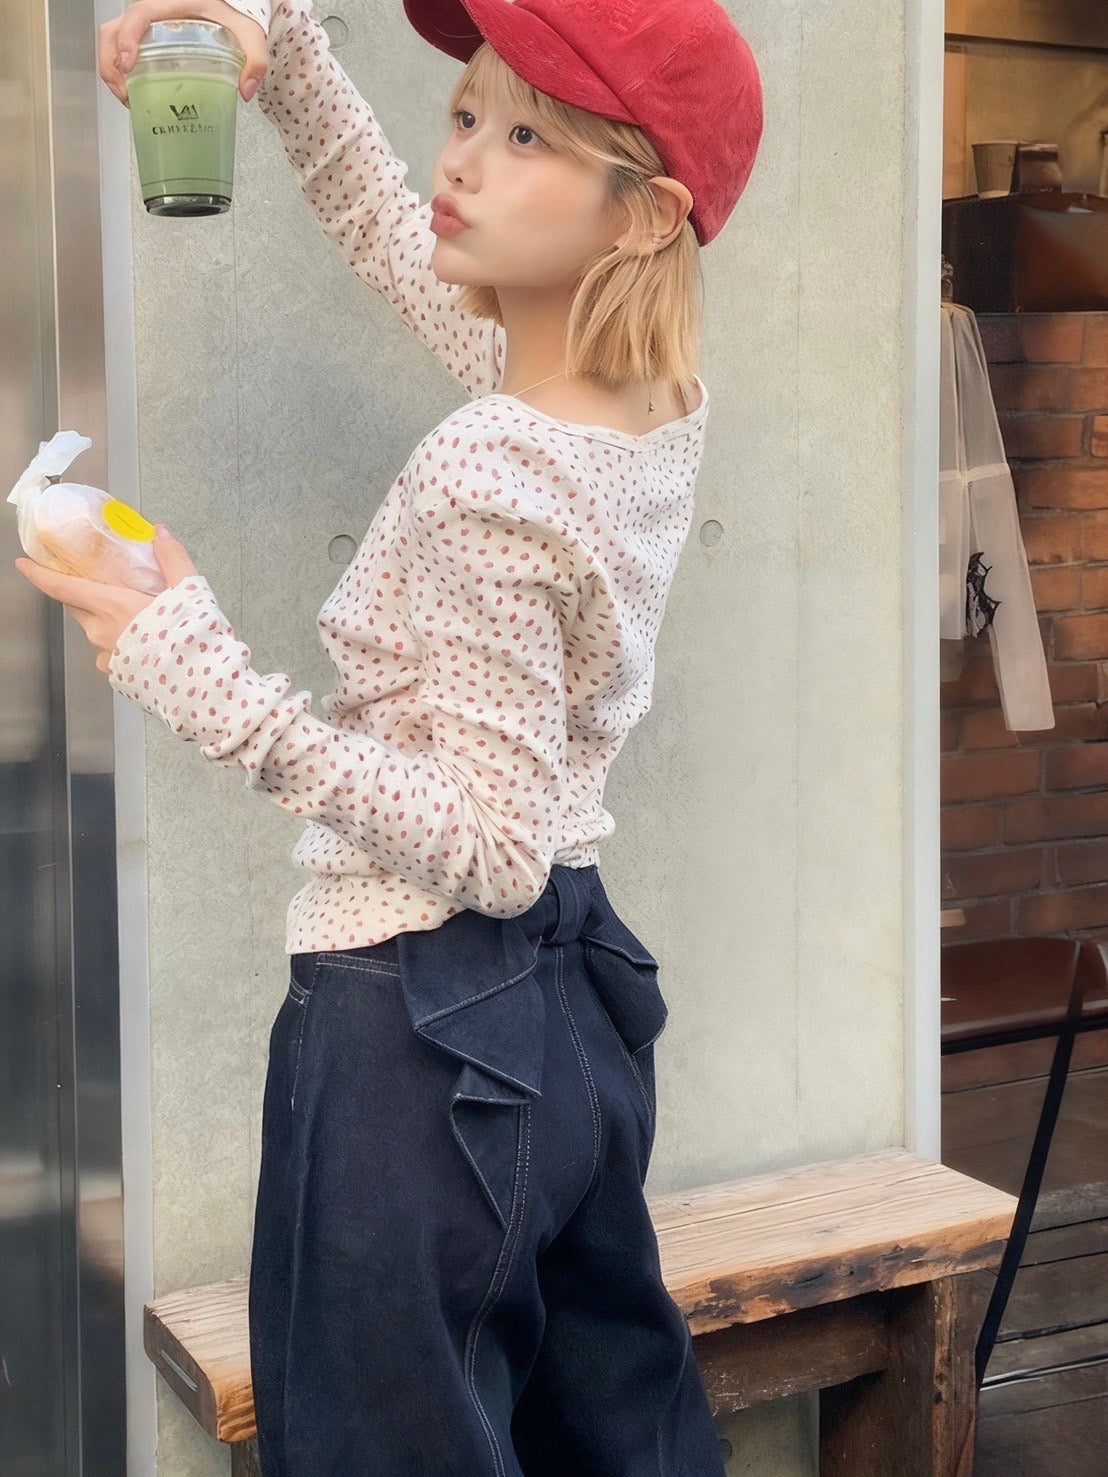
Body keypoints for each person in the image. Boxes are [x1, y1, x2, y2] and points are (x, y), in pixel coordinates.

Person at [20, 0, 763, 1470]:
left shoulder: (493, 461)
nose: (463, 159)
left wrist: (191, 666)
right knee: (613, 1436)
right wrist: (275, 43)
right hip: (574, 1013)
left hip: (419, 1040)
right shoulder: (645, 407)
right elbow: (383, 219)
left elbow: (489, 845)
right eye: (467, 112)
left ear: (642, 216)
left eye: (528, 134)